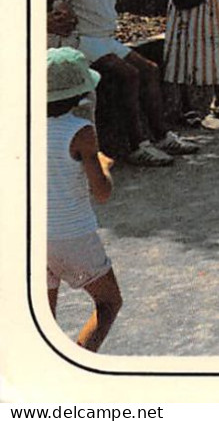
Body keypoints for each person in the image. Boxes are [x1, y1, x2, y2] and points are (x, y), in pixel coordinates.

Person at [49, 0, 198, 165]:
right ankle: (138, 146)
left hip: (107, 39)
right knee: (128, 75)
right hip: (82, 40)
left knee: (150, 69)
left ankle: (162, 136)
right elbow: (52, 0)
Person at [46, 48, 123, 351]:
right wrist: (103, 164)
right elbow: (102, 192)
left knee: (43, 318)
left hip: (34, 239)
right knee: (108, 302)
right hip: (73, 237)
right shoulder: (81, 132)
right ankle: (80, 359)